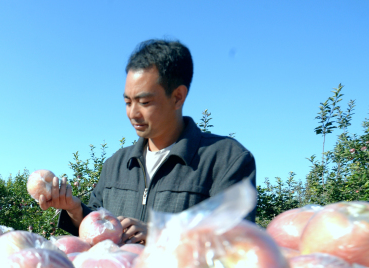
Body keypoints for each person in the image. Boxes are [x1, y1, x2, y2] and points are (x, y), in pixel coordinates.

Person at [39, 39, 256, 244]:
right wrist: (76, 210)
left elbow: (236, 241)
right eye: (127, 102)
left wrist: (161, 235)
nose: (133, 113)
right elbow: (96, 231)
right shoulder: (117, 164)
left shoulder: (226, 159)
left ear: (178, 97)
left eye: (144, 102)